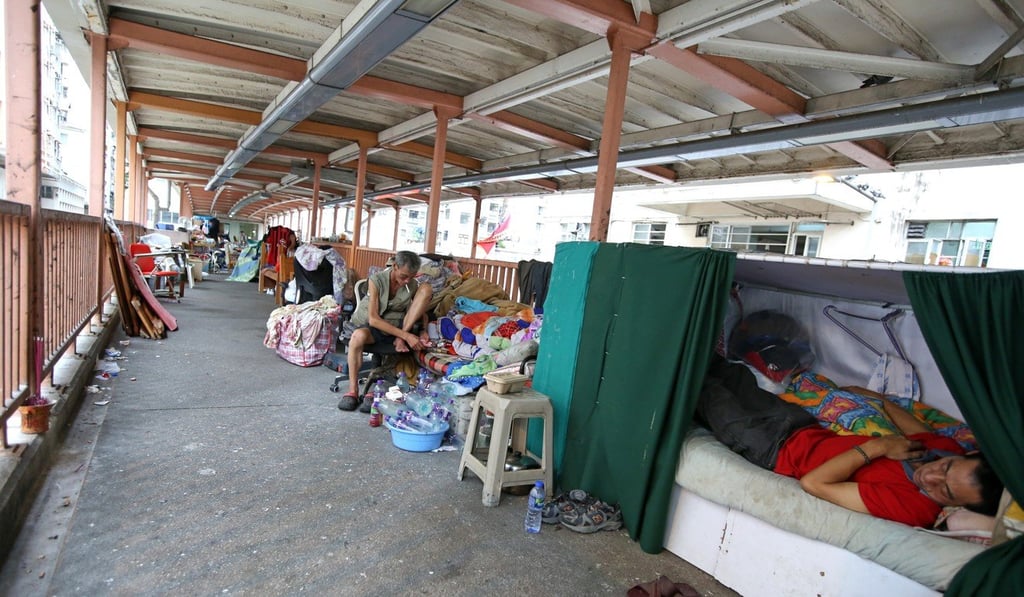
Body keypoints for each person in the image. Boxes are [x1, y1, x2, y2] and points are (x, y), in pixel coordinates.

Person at [696, 355, 1003, 528]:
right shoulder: (945, 449)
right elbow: (900, 417)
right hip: (800, 424)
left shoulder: (914, 507)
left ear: (956, 506)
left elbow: (816, 484)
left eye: (945, 491)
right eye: (946, 468)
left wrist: (878, 447)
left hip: (774, 449)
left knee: (706, 389)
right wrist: (872, 397)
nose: (932, 476)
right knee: (732, 373)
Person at [338, 251, 434, 413]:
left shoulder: (412, 284)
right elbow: (374, 319)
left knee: (426, 288)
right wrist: (405, 336)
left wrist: (422, 330)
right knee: (357, 337)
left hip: (396, 328)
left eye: (411, 276)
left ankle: (376, 388)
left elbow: (419, 311)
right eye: (404, 276)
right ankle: (353, 391)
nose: (407, 280)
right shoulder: (377, 280)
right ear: (395, 266)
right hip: (371, 326)